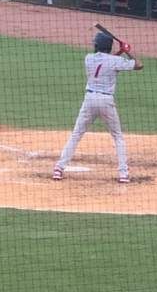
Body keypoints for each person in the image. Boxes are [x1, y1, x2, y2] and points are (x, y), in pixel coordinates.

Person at [52, 29, 143, 184]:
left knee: (76, 134)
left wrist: (120, 51)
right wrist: (127, 51)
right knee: (118, 137)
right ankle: (123, 174)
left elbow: (105, 62)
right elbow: (139, 65)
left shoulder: (89, 58)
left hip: (89, 99)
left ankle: (59, 168)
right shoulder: (114, 61)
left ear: (97, 45)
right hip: (106, 101)